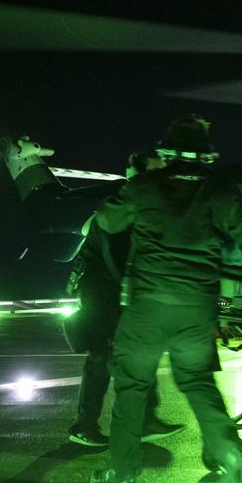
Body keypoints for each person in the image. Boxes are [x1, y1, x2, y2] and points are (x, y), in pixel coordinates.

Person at [89, 115, 242, 483]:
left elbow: (106, 221)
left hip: (148, 309)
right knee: (198, 381)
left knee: (133, 386)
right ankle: (229, 456)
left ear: (167, 151)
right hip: (197, 308)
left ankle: (122, 473)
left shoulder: (143, 187)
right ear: (207, 154)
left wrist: (130, 192)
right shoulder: (222, 191)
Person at [64, 150, 184, 447]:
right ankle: (84, 425)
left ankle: (145, 420)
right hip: (102, 290)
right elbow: (115, 256)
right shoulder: (125, 202)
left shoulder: (141, 202)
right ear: (141, 174)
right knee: (102, 357)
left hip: (120, 290)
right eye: (159, 170)